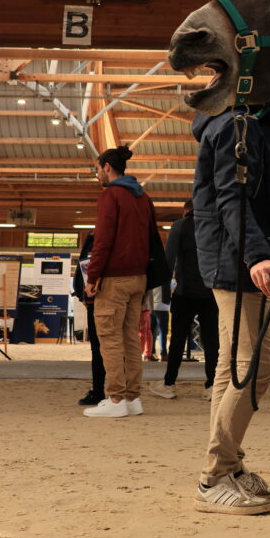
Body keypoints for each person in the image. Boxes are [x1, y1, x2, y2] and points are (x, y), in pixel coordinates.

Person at [192, 105, 270, 515]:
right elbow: (230, 197)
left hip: (235, 259)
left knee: (230, 366)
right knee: (256, 366)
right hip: (235, 262)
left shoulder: (253, 124)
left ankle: (229, 467)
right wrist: (256, 254)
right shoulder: (239, 125)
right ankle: (213, 476)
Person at [83, 145, 155, 418]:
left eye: (98, 169)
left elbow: (102, 241)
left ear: (107, 168)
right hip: (139, 277)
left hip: (114, 279)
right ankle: (133, 398)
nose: (97, 174)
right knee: (130, 339)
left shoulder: (110, 196)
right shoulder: (142, 197)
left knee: (109, 337)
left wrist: (93, 276)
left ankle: (115, 399)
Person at [150, 200, 219, 401]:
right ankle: (212, 385)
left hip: (184, 293)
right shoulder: (215, 225)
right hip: (210, 293)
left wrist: (164, 296)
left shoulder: (180, 226)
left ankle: (169, 384)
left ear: (186, 211)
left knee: (178, 341)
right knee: (212, 341)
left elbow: (168, 260)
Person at [73, 232, 105, 407]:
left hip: (99, 299)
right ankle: (122, 392)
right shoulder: (93, 236)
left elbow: (85, 265)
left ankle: (101, 391)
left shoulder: (96, 237)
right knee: (108, 347)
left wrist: (83, 294)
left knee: (101, 348)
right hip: (96, 300)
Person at [151, 284, 170, 361]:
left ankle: (151, 353)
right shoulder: (167, 281)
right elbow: (174, 286)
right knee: (163, 332)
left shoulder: (153, 280)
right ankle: (163, 354)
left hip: (152, 307)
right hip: (163, 308)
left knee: (152, 332)